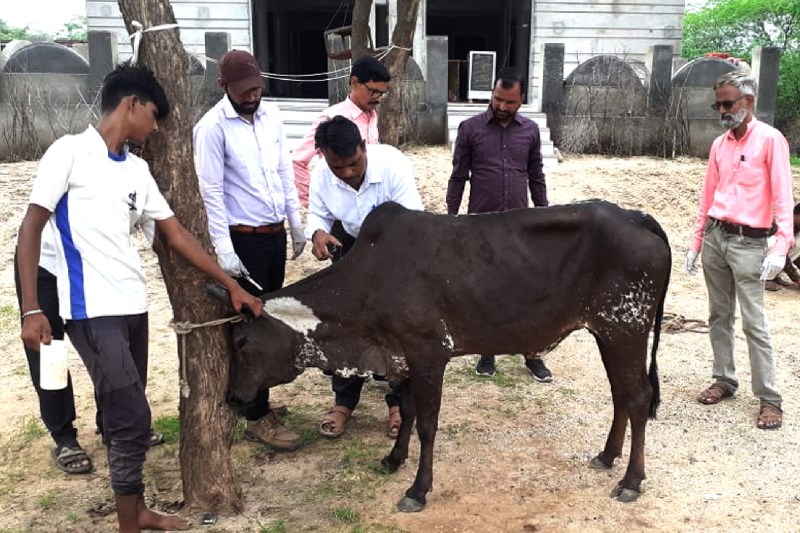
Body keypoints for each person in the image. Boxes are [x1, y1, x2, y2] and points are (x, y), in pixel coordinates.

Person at [16, 64, 263, 532]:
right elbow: (31, 227)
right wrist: (32, 308)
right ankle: (130, 521)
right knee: (133, 417)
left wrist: (231, 284)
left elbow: (175, 235)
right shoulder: (69, 153)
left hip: (134, 306)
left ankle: (138, 508)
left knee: (121, 414)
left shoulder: (137, 170)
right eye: (153, 115)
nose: (155, 127)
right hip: (90, 311)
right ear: (130, 104)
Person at [193, 49, 305, 452]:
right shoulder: (211, 128)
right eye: (243, 91)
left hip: (274, 234)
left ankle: (258, 399)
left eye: (256, 88)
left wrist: (296, 224)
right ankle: (256, 416)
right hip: (243, 240)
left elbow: (284, 171)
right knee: (248, 328)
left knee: (268, 320)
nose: (251, 96)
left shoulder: (272, 116)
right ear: (224, 87)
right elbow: (211, 192)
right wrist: (224, 249)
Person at [685, 68, 793, 430]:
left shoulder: (770, 140)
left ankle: (769, 398)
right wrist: (697, 241)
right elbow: (708, 195)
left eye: (727, 104)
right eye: (717, 105)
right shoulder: (720, 145)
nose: (722, 112)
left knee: (754, 322)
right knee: (718, 314)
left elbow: (782, 196)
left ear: (748, 101)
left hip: (750, 242)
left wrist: (781, 247)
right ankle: (724, 379)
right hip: (717, 236)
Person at [307, 116, 423, 439]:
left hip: (396, 249)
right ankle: (344, 402)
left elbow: (413, 221)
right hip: (349, 248)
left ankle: (398, 404)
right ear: (325, 158)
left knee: (396, 329)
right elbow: (317, 214)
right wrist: (317, 233)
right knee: (347, 327)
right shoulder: (321, 174)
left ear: (364, 147)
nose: (346, 173)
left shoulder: (393, 165)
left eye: (353, 164)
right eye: (337, 167)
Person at [446, 67, 553, 383]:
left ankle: (532, 353)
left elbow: (536, 176)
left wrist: (544, 217)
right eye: (497, 100)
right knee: (485, 291)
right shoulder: (470, 129)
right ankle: (487, 350)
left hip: (521, 227)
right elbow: (458, 177)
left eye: (510, 102)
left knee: (526, 292)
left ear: (522, 100)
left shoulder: (530, 131)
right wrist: (451, 220)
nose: (503, 107)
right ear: (491, 95)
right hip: (482, 227)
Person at [292, 55, 390, 207]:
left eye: (382, 93)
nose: (378, 98)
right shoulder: (330, 118)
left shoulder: (372, 116)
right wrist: (313, 202)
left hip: (372, 206)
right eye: (373, 92)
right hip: (341, 208)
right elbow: (297, 161)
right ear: (354, 83)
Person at [764, 202, 800, 291]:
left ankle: (772, 276)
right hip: (753, 254)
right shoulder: (781, 224)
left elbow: (796, 255)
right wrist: (797, 278)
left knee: (796, 244)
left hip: (770, 253)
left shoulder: (796, 227)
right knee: (774, 243)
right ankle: (763, 278)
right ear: (796, 215)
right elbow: (782, 253)